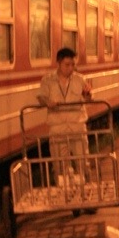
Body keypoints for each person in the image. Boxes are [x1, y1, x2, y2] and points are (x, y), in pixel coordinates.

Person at [36, 47, 92, 184]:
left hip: (77, 127)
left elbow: (88, 98)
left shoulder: (80, 79)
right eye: (67, 65)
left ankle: (86, 189)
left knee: (83, 163)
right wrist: (47, 102)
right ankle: (63, 192)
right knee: (60, 166)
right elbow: (41, 97)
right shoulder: (47, 80)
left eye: (73, 64)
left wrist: (88, 94)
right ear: (58, 63)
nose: (70, 68)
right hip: (58, 128)